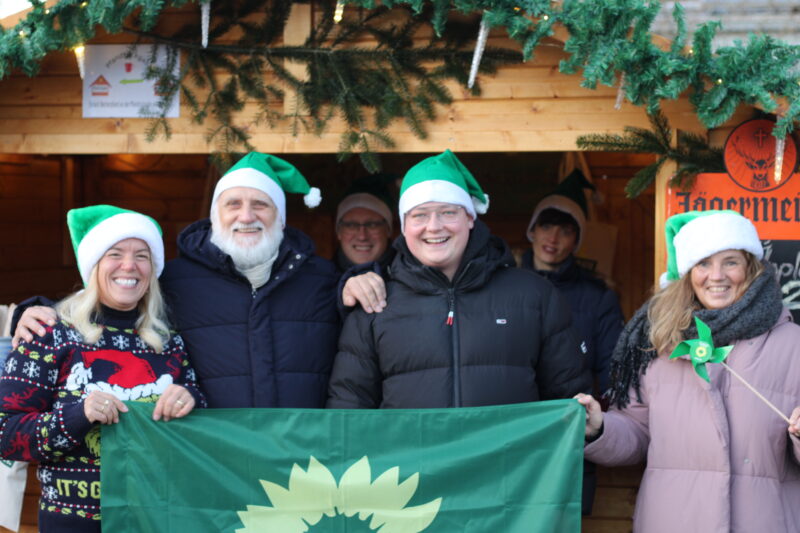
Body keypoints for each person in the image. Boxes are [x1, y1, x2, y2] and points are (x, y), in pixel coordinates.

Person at [14, 152, 341, 409]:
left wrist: (358, 278)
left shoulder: (323, 280)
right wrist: (34, 311)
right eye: (233, 205)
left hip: (299, 456)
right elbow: (112, 298)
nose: (246, 216)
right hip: (206, 462)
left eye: (260, 205)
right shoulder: (176, 279)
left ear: (280, 218)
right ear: (215, 217)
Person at [576, 210, 800, 532]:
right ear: (688, 273)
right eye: (703, 263)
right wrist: (600, 428)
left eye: (731, 262)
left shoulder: (792, 344)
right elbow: (637, 433)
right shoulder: (660, 342)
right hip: (674, 520)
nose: (717, 275)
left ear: (750, 268)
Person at [328, 149, 590, 409]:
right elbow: (348, 409)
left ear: (470, 218)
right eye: (419, 215)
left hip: (507, 453)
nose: (433, 226)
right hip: (407, 452)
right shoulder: (374, 301)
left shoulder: (535, 296)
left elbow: (569, 405)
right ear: (404, 226)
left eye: (448, 212)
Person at [0, 205, 204, 532]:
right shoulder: (48, 333)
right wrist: (78, 415)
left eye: (142, 255)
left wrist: (191, 398)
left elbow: (197, 433)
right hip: (74, 524)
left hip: (156, 518)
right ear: (93, 264)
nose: (129, 265)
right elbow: (6, 436)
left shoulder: (169, 342)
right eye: (115, 253)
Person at [523, 170, 625, 514]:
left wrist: (605, 428)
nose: (554, 238)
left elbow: (613, 370)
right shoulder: (500, 286)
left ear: (577, 239)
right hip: (512, 435)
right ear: (532, 230)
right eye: (547, 226)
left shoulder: (597, 298)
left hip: (568, 438)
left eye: (567, 230)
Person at [334, 173, 396, 272]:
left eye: (372, 225)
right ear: (338, 232)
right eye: (351, 225)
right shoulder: (321, 280)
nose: (362, 236)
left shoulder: (409, 278)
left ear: (388, 230)